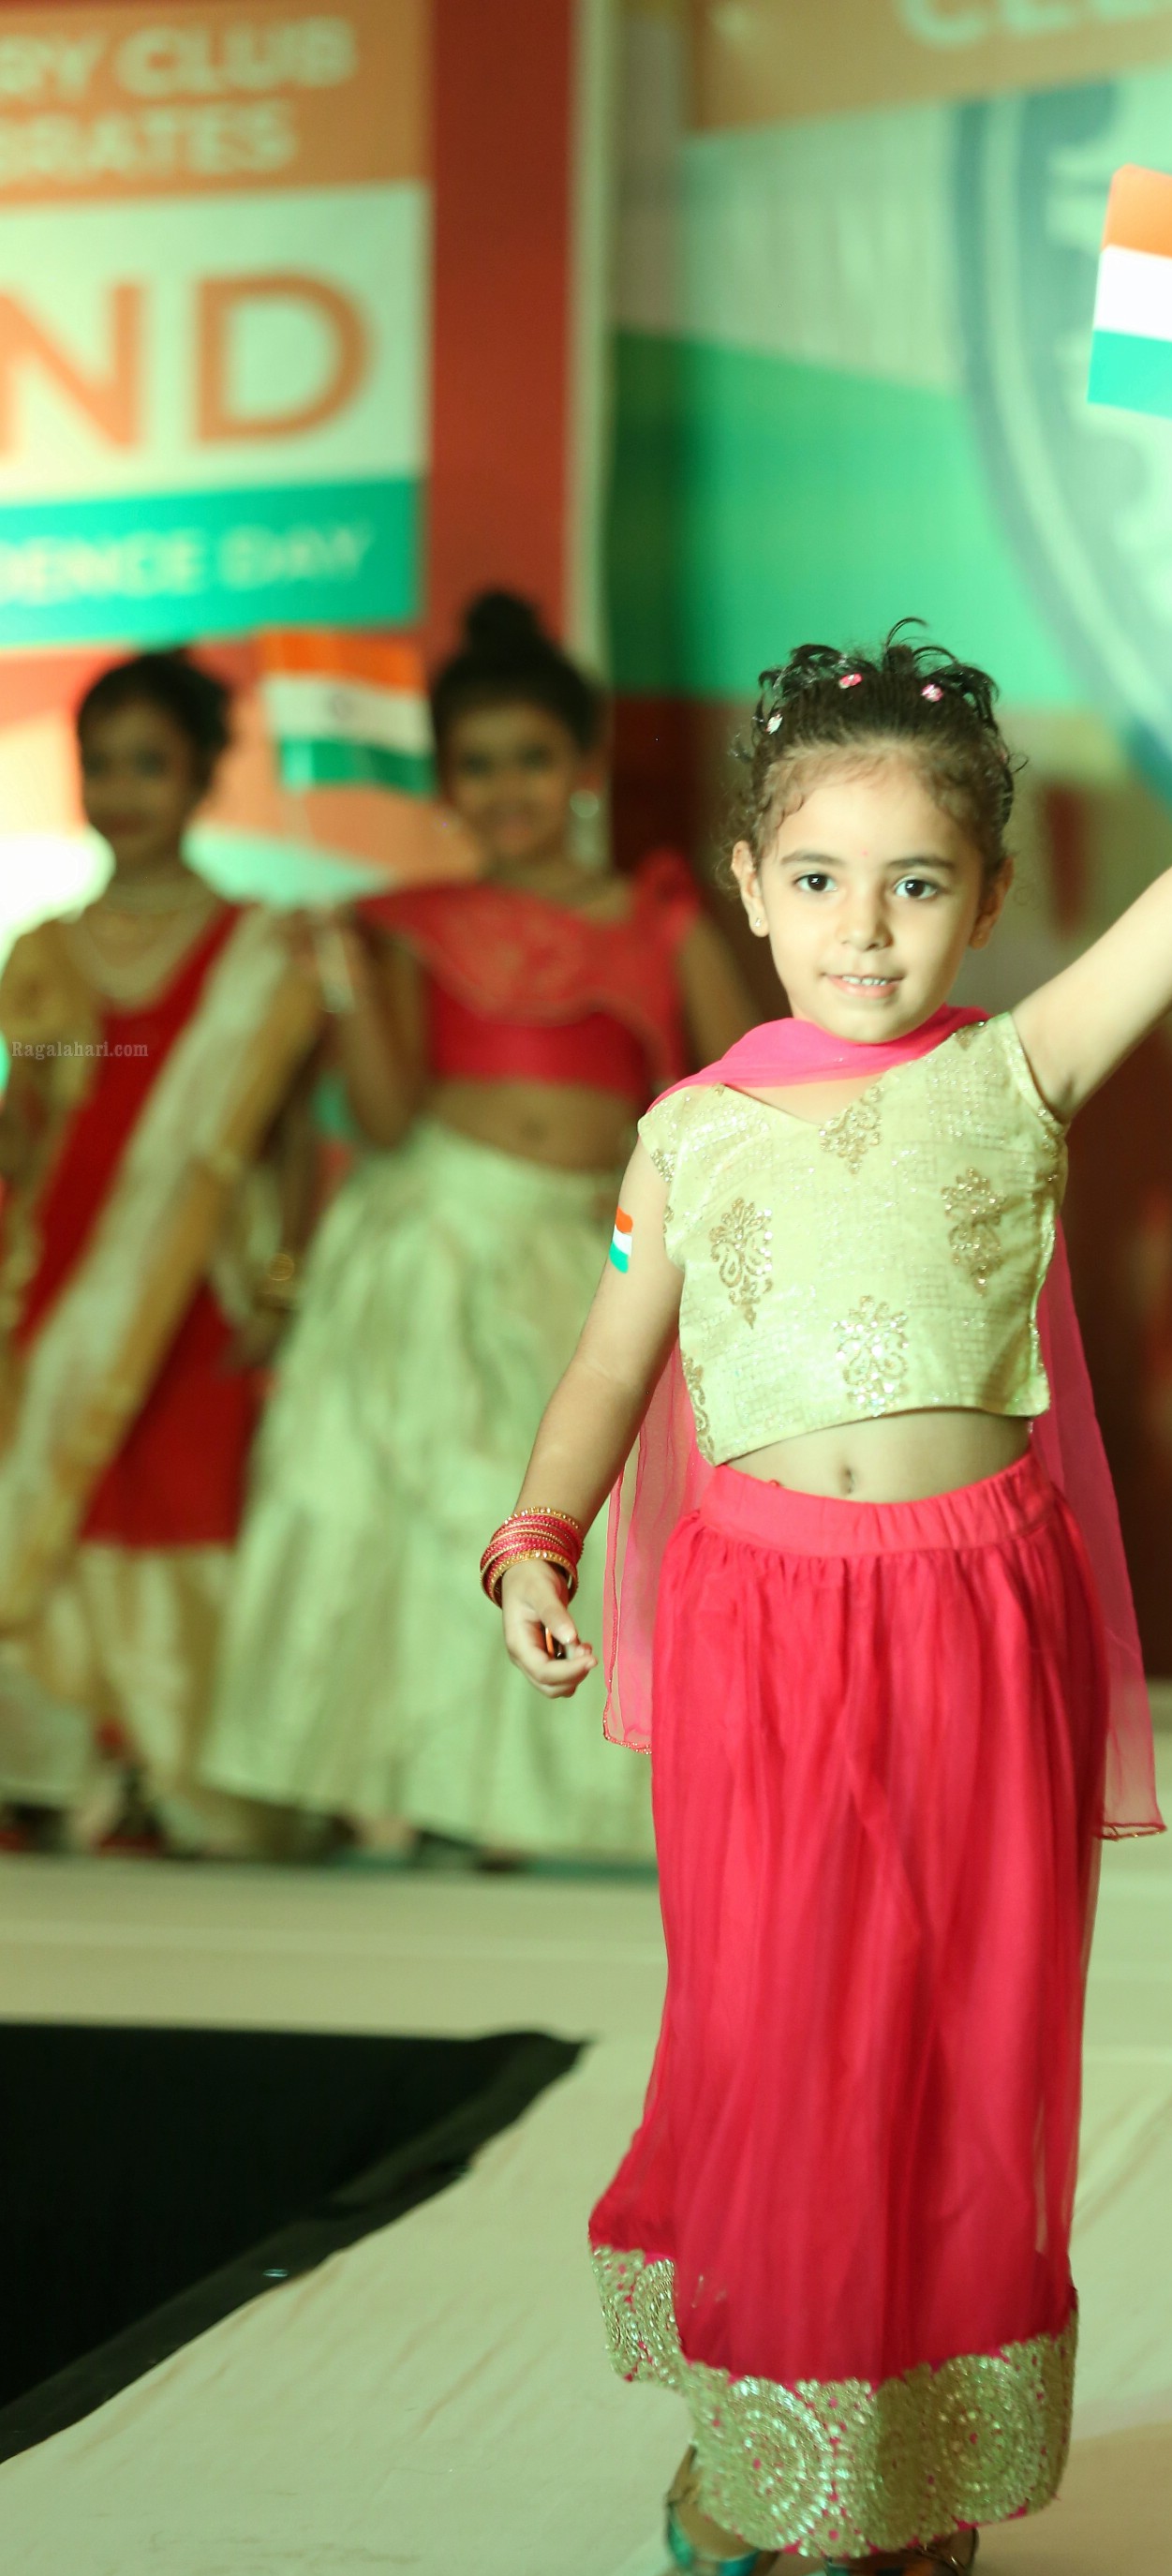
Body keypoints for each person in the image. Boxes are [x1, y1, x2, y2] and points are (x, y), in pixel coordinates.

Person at [482, 485, 1172, 2576]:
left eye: (917, 883)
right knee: (779, 2026)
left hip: (973, 1617)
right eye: (819, 877)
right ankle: (775, 2433)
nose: (864, 924)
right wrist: (543, 1534)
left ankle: (913, 2465)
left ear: (990, 895)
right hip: (758, 1632)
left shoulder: (1021, 1071)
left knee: (957, 2030)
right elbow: (605, 1372)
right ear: (745, 886)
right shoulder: (691, 1131)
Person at [199, 592, 756, 1864]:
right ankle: (405, 1794)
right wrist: (343, 982)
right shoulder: (407, 925)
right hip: (431, 1234)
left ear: (580, 768)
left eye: (532, 759)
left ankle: (542, 1802)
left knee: (577, 1510)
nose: (506, 788)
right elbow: (387, 1118)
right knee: (412, 1513)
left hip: (591, 1248)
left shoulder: (657, 922)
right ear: (446, 781)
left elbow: (733, 1105)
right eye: (478, 765)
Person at [0, 650, 323, 1857]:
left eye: (150, 764)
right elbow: (25, 1132)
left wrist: (286, 1276)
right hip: (63, 1275)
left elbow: (289, 1138)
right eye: (102, 765)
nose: (123, 790)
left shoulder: (261, 951)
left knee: (185, 1509)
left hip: (202, 1278)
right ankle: (55, 1773)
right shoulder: (44, 951)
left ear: (199, 780)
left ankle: (183, 1784)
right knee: (63, 1511)